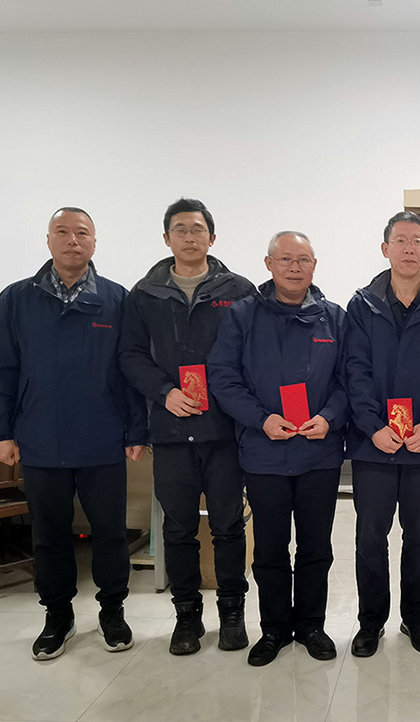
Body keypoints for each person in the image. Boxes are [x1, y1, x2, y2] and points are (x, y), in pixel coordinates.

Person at [0, 207, 146, 661]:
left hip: (103, 437)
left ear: (94, 242)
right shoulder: (16, 300)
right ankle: (58, 616)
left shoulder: (117, 300)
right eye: (62, 232)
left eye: (82, 233)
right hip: (40, 438)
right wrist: (2, 431)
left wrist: (136, 429)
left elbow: (130, 371)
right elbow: (1, 371)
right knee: (49, 535)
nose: (72, 240)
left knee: (110, 533)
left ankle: (112, 612)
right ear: (48, 240)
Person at [119, 198, 256, 656]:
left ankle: (232, 615)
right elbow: (130, 355)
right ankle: (187, 618)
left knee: (228, 527)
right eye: (180, 229)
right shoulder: (145, 294)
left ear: (212, 238)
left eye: (198, 229)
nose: (190, 237)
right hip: (171, 431)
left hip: (224, 432)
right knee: (177, 530)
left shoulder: (239, 290)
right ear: (167, 238)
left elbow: (252, 355)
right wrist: (164, 392)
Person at [208, 231, 348, 667]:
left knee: (315, 547)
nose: (294, 267)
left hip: (319, 454)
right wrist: (261, 419)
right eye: (285, 259)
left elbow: (351, 380)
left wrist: (329, 416)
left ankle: (310, 626)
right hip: (264, 452)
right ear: (268, 264)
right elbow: (223, 377)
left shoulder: (335, 318)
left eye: (303, 259)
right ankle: (273, 629)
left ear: (314, 265)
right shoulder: (242, 316)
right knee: (269, 549)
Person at [344, 211, 420, 657]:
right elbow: (353, 371)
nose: (409, 248)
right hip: (372, 445)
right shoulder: (362, 305)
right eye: (400, 240)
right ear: (386, 249)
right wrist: (373, 427)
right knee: (370, 538)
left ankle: (416, 619)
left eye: (417, 240)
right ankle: (370, 622)